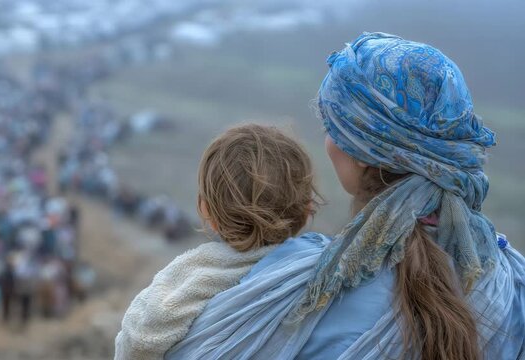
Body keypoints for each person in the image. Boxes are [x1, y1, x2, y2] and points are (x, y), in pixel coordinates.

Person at [167, 33, 525, 359]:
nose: (328, 141)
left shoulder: (295, 291)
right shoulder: (510, 282)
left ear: (358, 151)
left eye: (331, 127)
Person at [115, 124, 322, 359]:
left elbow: (137, 341)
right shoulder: (329, 272)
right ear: (306, 211)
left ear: (206, 211)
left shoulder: (186, 278)